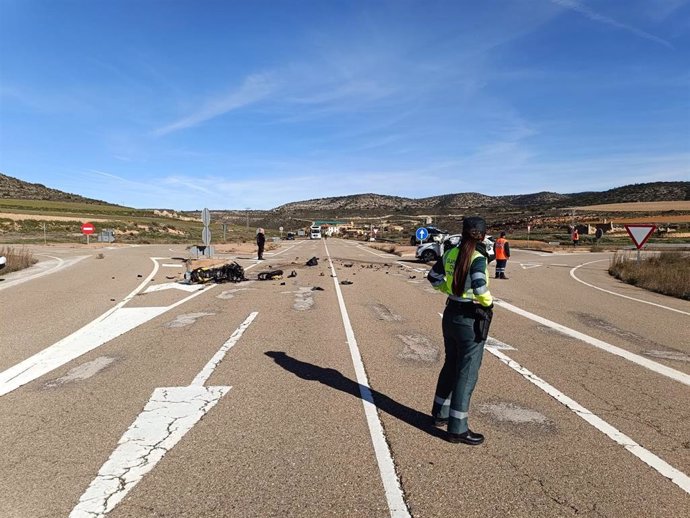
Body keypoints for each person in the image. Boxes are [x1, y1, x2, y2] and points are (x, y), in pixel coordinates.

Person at [427, 216, 493, 445]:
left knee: (450, 365)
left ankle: (440, 414)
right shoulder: (478, 256)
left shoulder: (451, 252)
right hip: (469, 317)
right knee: (467, 373)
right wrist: (487, 303)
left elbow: (433, 277)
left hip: (451, 314)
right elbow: (479, 285)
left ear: (463, 232)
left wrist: (448, 289)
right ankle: (457, 428)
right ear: (483, 235)